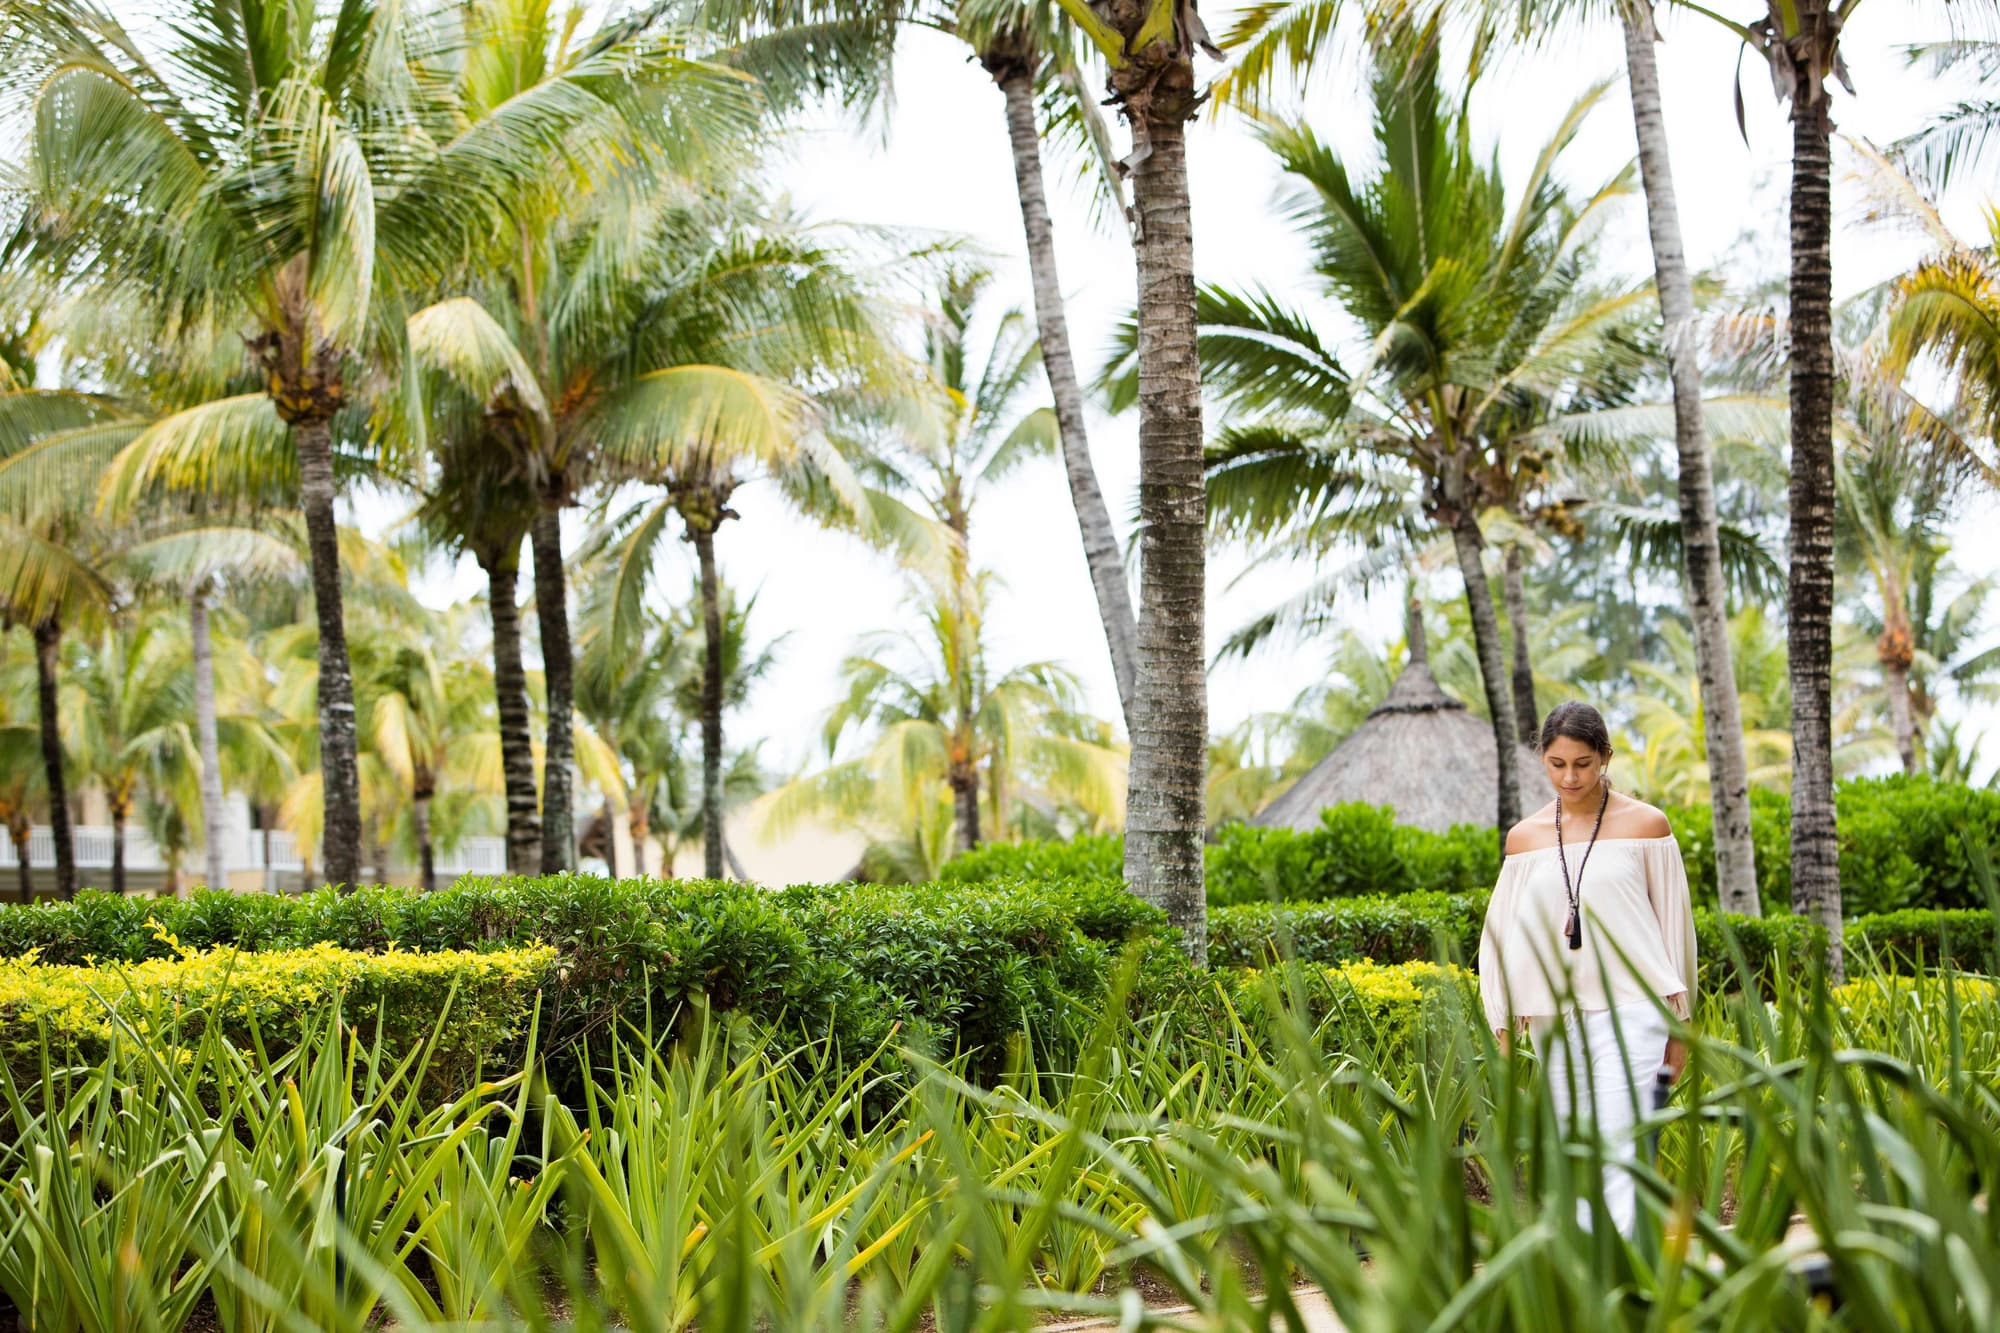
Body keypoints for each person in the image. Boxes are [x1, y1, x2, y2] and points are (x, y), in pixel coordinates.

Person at [1478, 700, 1698, 1237]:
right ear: (1543, 760)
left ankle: (1623, 1286)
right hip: (1553, 1018)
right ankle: (1587, 1283)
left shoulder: (1647, 826)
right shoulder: (1524, 839)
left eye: (1582, 763)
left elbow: (1676, 929)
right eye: (1557, 764)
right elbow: (1502, 936)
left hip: (1635, 1010)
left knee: (1622, 1150)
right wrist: (1502, 1022)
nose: (1570, 776)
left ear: (1605, 757)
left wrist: (1682, 1024)